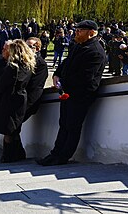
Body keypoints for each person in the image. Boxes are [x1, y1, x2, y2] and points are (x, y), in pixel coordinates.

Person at [37, 20, 106, 166]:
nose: (76, 33)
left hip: (81, 95)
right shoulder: (78, 46)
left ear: (91, 33)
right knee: (64, 124)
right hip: (69, 93)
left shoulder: (95, 51)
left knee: (72, 126)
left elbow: (85, 78)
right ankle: (55, 154)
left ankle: (62, 157)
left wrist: (65, 84)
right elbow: (66, 63)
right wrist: (57, 74)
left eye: (80, 31)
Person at [0, 39, 35, 162]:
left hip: (8, 100)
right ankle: (19, 154)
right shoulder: (28, 66)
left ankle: (7, 156)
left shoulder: (12, 67)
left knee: (8, 130)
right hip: (20, 99)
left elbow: (1, 84)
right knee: (14, 129)